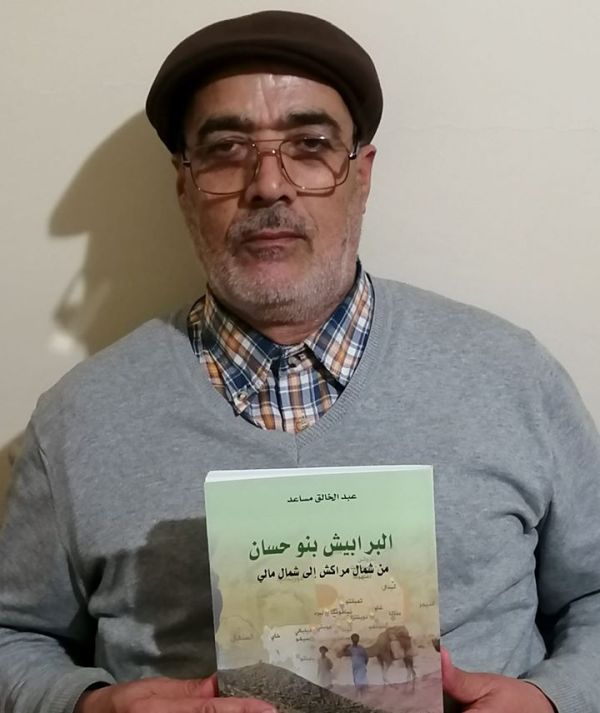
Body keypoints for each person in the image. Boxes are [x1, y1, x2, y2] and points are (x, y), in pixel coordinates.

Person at [0, 9, 599, 713]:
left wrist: (553, 698)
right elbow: (15, 634)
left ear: (361, 176)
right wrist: (89, 705)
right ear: (184, 186)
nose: (268, 185)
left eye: (310, 145)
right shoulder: (79, 419)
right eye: (226, 149)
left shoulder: (512, 376)